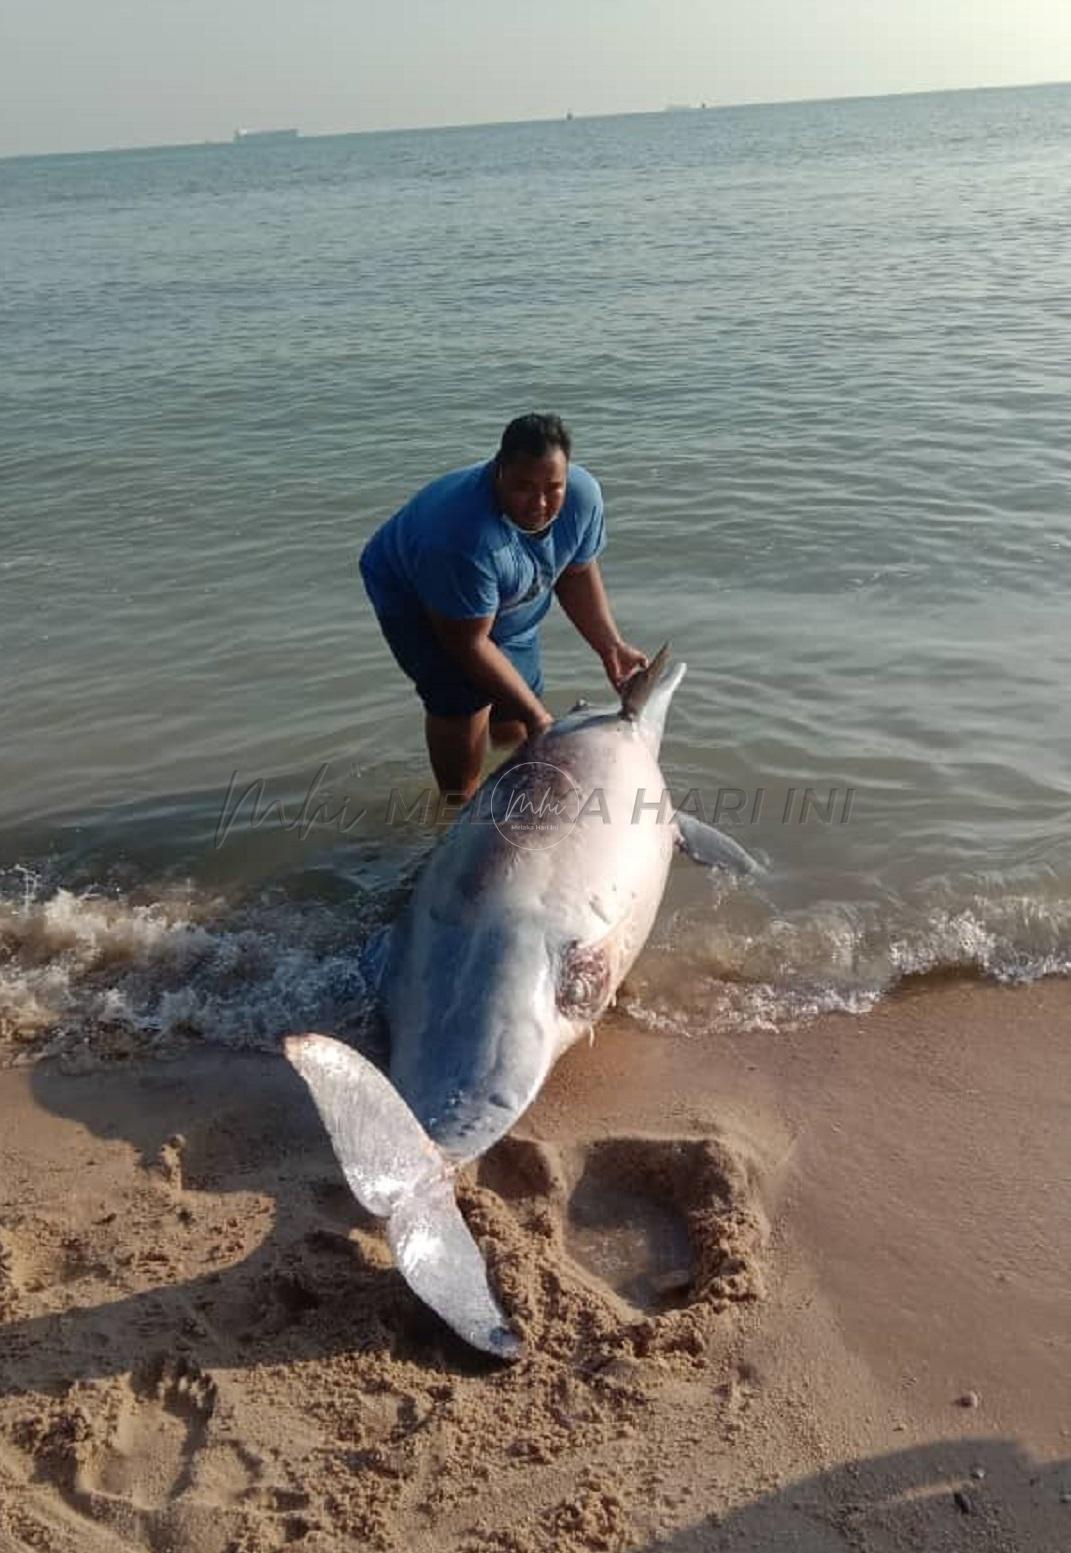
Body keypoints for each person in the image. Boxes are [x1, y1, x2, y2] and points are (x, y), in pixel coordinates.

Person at [360, 413, 647, 800]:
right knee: (461, 698)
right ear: (498, 472)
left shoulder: (582, 498)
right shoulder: (460, 537)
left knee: (516, 708)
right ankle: (457, 807)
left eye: (553, 487)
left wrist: (610, 646)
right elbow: (469, 644)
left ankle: (513, 783)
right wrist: (540, 719)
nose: (540, 503)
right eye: (523, 487)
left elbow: (575, 572)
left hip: (508, 594)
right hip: (416, 597)